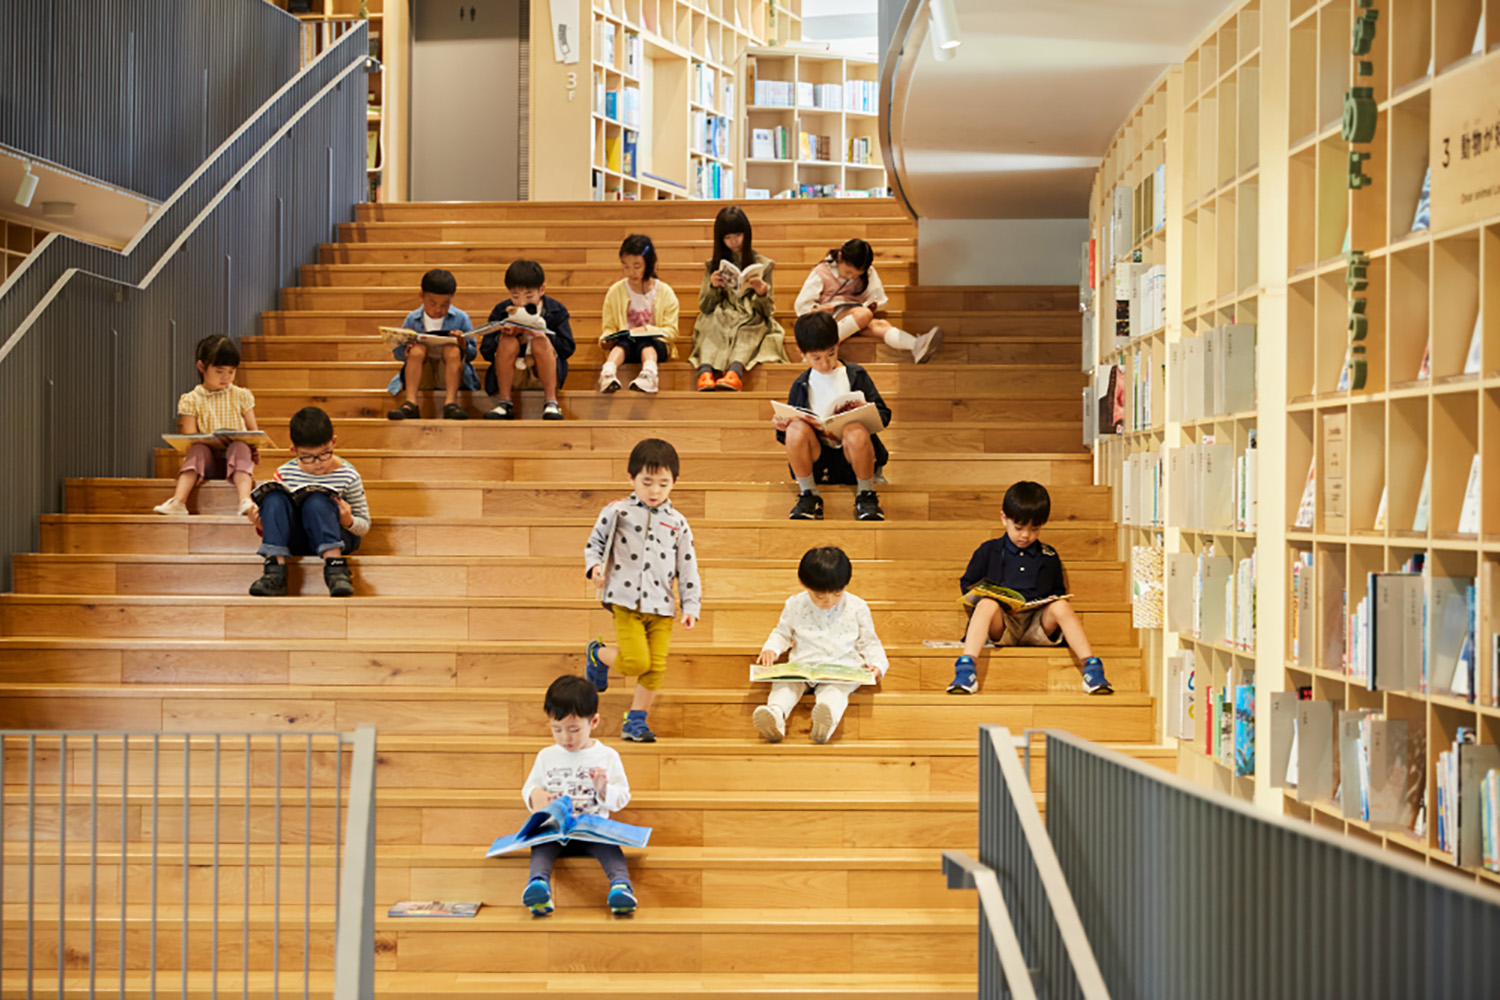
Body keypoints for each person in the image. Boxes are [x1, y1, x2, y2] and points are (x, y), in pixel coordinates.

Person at [583, 438, 701, 743]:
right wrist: (595, 566)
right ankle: (598, 655)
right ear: (631, 478)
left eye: (663, 483)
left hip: (662, 607)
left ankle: (635, 720)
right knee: (637, 662)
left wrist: (690, 606)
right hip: (625, 601)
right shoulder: (617, 511)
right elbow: (595, 543)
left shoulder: (678, 523)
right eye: (647, 482)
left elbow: (687, 567)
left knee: (655, 667)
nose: (654, 491)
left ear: (675, 482)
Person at [947, 480, 1113, 695]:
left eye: (1034, 529)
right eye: (1018, 528)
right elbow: (967, 585)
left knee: (1061, 606)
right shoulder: (988, 551)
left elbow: (1057, 591)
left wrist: (1047, 601)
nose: (1025, 535)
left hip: (1037, 626)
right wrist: (987, 595)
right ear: (1003, 519)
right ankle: (966, 670)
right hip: (1002, 626)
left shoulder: (1048, 555)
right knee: (987, 604)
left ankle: (1092, 669)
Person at [519, 674, 637, 917]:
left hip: (592, 831)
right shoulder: (546, 756)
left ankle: (620, 887)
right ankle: (538, 887)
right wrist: (538, 797)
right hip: (556, 829)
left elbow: (622, 796)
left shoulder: (607, 756)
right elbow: (529, 789)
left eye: (574, 729)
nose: (565, 738)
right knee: (540, 846)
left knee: (611, 848)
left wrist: (604, 788)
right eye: (557, 729)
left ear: (593, 722)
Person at [753, 547, 887, 744]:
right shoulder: (795, 604)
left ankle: (826, 720)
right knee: (785, 685)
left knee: (835, 692)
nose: (828, 602)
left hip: (840, 669)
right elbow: (782, 633)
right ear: (802, 583)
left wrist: (878, 664)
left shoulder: (857, 607)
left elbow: (869, 642)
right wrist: (771, 648)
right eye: (819, 596)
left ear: (846, 585)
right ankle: (776, 714)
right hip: (803, 666)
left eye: (837, 594)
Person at [775, 312, 891, 523]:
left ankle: (866, 494)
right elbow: (788, 438)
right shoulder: (801, 384)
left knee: (853, 429)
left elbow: (883, 416)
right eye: (816, 358)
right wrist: (783, 425)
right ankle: (809, 494)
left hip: (852, 458)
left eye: (831, 353)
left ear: (838, 344)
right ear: (801, 353)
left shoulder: (856, 374)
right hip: (819, 462)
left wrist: (867, 409)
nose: (825, 364)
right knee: (795, 429)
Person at [247, 407, 369, 598]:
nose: (318, 463)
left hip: (336, 537)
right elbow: (277, 520)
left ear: (334, 442)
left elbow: (365, 526)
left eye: (324, 454)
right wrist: (260, 523)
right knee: (274, 497)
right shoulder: (285, 473)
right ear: (294, 451)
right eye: (308, 457)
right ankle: (274, 573)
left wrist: (349, 521)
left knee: (317, 501)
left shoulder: (348, 475)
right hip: (295, 539)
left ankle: (336, 571)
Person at [154, 335, 260, 516]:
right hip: (207, 462)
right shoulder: (191, 399)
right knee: (198, 449)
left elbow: (253, 431)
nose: (226, 377)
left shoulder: (241, 395)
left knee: (240, 446)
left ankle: (244, 500)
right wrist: (211, 440)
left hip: (237, 459)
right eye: (219, 371)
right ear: (202, 366)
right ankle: (178, 501)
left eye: (231, 371)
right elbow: (190, 437)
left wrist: (251, 444)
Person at [793, 238, 943, 364]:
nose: (851, 277)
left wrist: (873, 305)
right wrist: (818, 310)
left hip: (852, 319)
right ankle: (820, 346)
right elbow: (801, 306)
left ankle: (916, 345)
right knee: (863, 314)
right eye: (848, 272)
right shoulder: (822, 271)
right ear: (839, 257)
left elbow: (880, 298)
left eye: (856, 275)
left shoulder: (869, 273)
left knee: (880, 324)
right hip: (827, 320)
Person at [689, 205, 787, 391]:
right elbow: (705, 306)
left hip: (750, 314)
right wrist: (713, 286)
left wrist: (762, 294)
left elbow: (768, 311)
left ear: (746, 234)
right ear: (720, 239)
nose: (734, 241)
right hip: (722, 312)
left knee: (751, 324)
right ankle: (705, 372)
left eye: (738, 235)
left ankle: (735, 372)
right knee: (711, 320)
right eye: (727, 237)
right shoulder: (713, 266)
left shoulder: (763, 265)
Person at [479, 259, 575, 420]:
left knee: (540, 342)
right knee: (507, 341)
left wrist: (543, 335)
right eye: (515, 296)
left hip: (543, 368)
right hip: (511, 371)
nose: (522, 302)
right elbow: (486, 352)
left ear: (542, 290)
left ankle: (551, 402)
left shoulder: (556, 310)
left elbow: (567, 348)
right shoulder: (502, 310)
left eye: (529, 296)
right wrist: (506, 335)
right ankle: (504, 402)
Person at [386, 268, 479, 420]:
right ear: (422, 296)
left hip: (449, 371)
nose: (438, 310)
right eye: (433, 303)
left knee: (452, 349)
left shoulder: (461, 318)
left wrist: (463, 346)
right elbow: (398, 355)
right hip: (423, 372)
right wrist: (406, 348)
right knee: (418, 349)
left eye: (445, 304)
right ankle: (410, 403)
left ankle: (451, 403)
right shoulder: (413, 319)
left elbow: (472, 354)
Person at [597, 235, 680, 394]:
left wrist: (647, 330)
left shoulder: (665, 292)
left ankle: (649, 375)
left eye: (637, 266)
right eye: (626, 266)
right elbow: (608, 327)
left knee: (645, 341)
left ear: (648, 264)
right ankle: (607, 373)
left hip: (656, 346)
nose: (631, 272)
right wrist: (606, 339)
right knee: (624, 342)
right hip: (626, 346)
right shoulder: (615, 291)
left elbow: (672, 331)